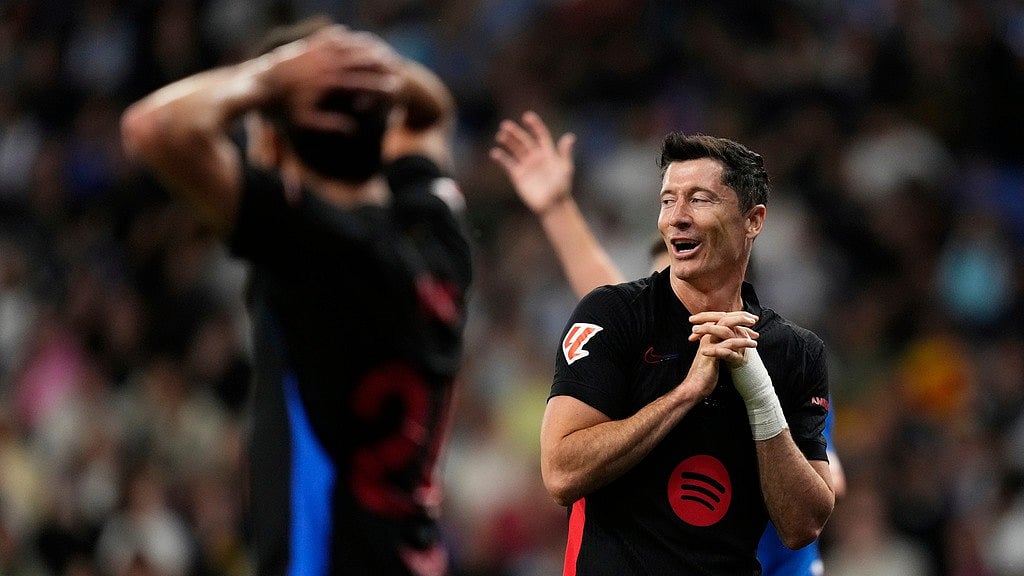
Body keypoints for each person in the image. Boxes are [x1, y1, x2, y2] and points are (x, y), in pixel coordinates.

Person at [121, 17, 472, 576]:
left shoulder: (308, 246)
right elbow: (434, 113)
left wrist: (270, 78)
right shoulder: (436, 231)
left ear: (272, 140)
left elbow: (152, 127)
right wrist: (362, 68)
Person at [490, 111, 835, 574]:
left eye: (699, 199)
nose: (676, 217)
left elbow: (803, 526)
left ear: (753, 221)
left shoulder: (794, 351)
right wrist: (686, 393)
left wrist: (759, 396)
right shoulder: (613, 315)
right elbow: (560, 473)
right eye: (668, 200)